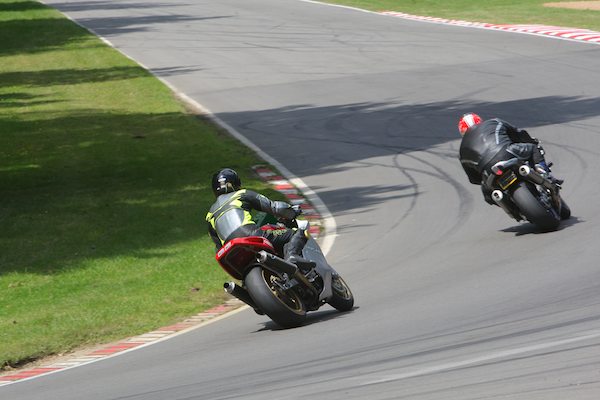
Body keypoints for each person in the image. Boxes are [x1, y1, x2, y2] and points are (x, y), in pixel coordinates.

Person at [206, 168, 311, 267]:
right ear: (236, 183)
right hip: (249, 234)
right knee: (296, 233)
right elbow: (274, 207)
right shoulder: (241, 194)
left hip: (230, 252)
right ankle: (292, 256)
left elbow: (218, 246)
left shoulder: (210, 215)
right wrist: (292, 212)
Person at [457, 113, 561, 204]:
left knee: (488, 195)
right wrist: (531, 141)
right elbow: (518, 133)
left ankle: (512, 207)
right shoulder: (493, 122)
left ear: (462, 131)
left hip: (488, 169)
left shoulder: (462, 150)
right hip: (506, 152)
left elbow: (474, 179)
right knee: (534, 148)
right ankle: (544, 173)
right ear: (480, 121)